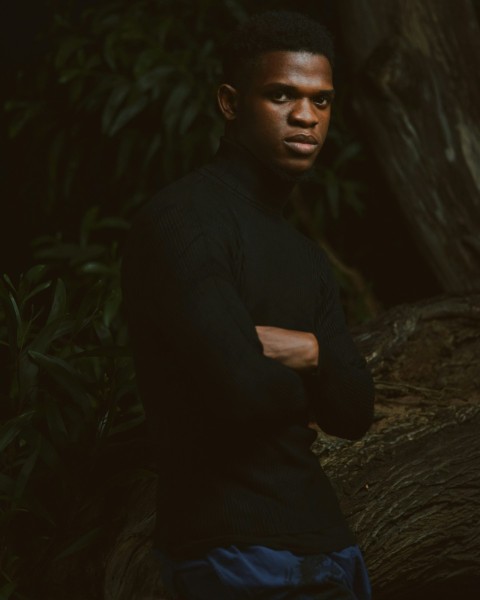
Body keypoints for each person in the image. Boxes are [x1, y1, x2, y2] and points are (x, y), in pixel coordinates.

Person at [121, 10, 375, 600]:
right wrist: (308, 376)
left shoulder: (307, 258)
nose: (306, 117)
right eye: (281, 95)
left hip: (333, 549)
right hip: (233, 555)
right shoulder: (183, 221)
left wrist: (303, 349)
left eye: (322, 100)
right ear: (230, 103)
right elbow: (241, 393)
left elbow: (356, 410)